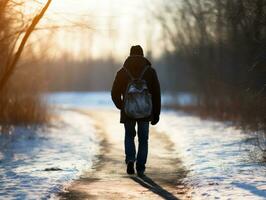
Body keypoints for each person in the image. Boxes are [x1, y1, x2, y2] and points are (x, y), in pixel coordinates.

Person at [111, 45, 161, 177]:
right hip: (145, 112)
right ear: (143, 55)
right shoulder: (150, 72)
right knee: (143, 139)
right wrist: (156, 113)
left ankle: (130, 159)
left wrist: (122, 106)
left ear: (130, 55)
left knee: (129, 136)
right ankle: (140, 168)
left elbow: (114, 93)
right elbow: (156, 94)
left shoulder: (122, 72)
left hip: (128, 112)